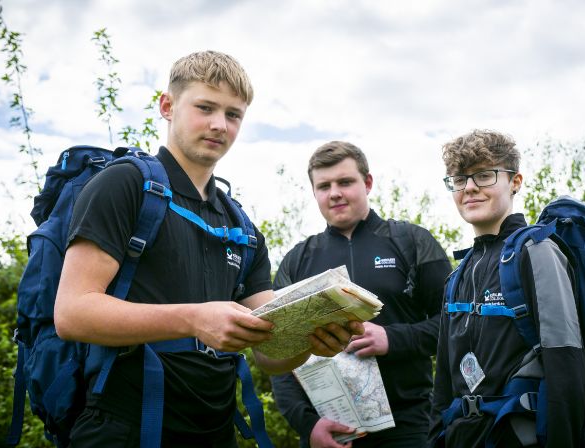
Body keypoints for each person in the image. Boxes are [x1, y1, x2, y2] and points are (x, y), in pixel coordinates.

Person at [53, 51, 362, 447]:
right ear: (167, 106)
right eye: (205, 107)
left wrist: (308, 341)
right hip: (124, 427)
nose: (220, 125)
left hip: (215, 431)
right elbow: (73, 312)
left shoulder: (241, 227)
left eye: (233, 115)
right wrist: (193, 320)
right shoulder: (125, 186)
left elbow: (269, 352)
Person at [271, 141, 452, 448]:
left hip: (408, 426)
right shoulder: (296, 260)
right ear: (314, 192)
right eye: (324, 186)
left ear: (367, 183)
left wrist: (393, 339)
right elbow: (279, 352)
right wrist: (308, 424)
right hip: (329, 429)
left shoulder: (413, 242)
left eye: (345, 182)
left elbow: (454, 326)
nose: (335, 193)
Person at [428, 130, 585, 447]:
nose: (470, 187)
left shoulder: (537, 252)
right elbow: (443, 385)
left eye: (484, 175)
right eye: (459, 179)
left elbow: (566, 367)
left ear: (515, 182)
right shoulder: (456, 277)